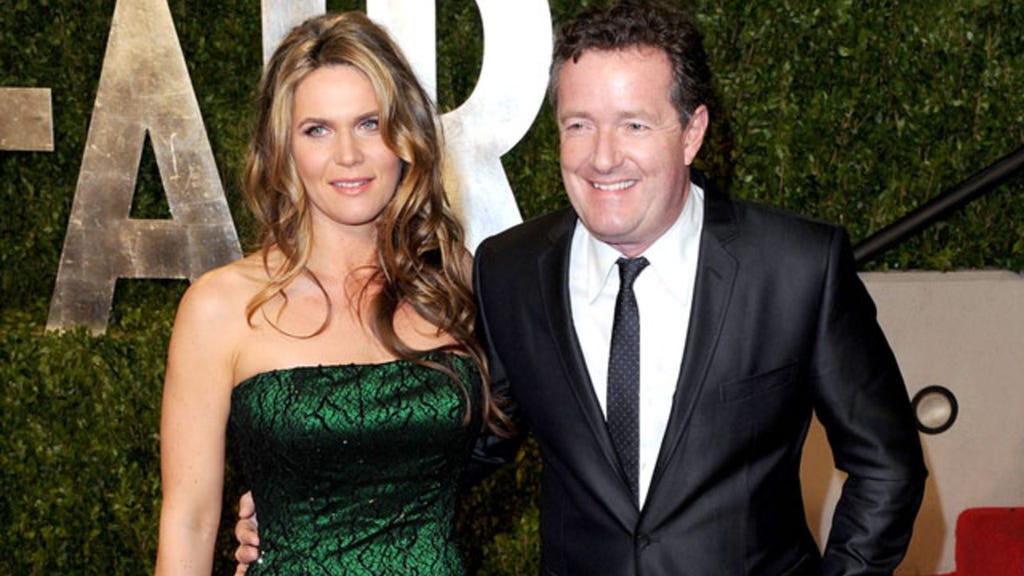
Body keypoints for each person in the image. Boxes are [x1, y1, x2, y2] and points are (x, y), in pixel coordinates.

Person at [237, 2, 927, 574]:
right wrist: (318, 498)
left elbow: (887, 467)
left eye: (634, 125)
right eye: (579, 126)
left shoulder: (796, 266)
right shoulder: (510, 271)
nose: (603, 157)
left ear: (692, 132)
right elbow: (475, 440)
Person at [155, 11, 507, 576]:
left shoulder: (453, 282)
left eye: (369, 124)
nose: (348, 154)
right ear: (283, 148)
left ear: (406, 136)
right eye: (317, 129)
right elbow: (190, 520)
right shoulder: (220, 307)